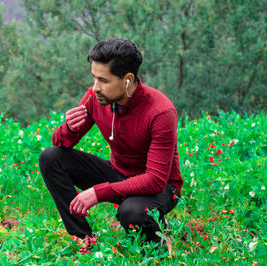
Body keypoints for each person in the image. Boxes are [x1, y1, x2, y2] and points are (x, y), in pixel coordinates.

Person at [39, 38, 183, 253]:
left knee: (132, 212)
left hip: (161, 188)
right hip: (119, 174)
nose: (95, 88)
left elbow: (155, 180)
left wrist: (99, 192)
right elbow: (62, 144)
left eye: (103, 80)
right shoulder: (96, 97)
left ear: (127, 80)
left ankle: (157, 242)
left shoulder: (160, 112)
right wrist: (68, 127)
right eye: (94, 78)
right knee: (51, 157)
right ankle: (83, 238)